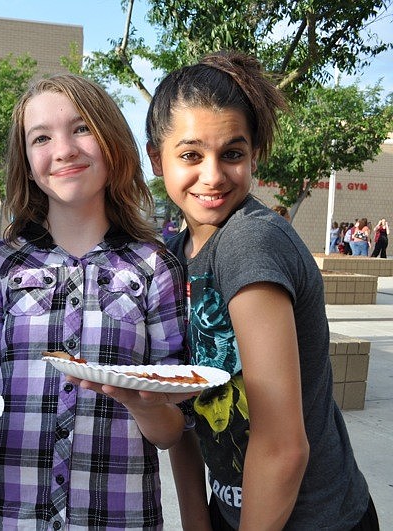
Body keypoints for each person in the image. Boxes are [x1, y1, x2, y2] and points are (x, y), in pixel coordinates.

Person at [143, 50, 377, 529]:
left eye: (232, 154)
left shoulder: (249, 242)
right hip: (232, 510)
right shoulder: (173, 254)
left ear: (254, 155)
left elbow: (283, 446)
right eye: (190, 155)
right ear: (156, 158)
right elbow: (184, 420)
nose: (213, 175)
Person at [0, 74, 187, 529]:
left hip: (120, 519)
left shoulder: (156, 267)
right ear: (27, 163)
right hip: (9, 518)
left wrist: (144, 403)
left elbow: (172, 430)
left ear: (111, 142)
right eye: (41, 138)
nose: (64, 149)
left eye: (81, 128)